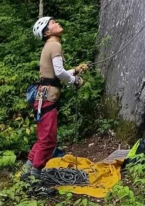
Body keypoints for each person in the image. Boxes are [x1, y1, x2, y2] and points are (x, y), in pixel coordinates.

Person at [22, 16, 88, 179]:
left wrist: (75, 70)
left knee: (43, 138)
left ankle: (27, 172)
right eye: (52, 23)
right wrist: (75, 81)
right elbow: (59, 73)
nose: (57, 23)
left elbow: (55, 74)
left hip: (43, 99)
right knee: (48, 141)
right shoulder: (55, 45)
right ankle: (34, 179)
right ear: (47, 32)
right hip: (47, 99)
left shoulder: (50, 45)